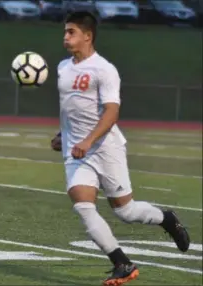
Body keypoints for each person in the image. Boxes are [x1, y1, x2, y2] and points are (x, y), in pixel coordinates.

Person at [51, 11, 190, 286]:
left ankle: (167, 218)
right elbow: (73, 110)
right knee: (83, 206)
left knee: (125, 212)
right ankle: (122, 263)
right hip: (76, 153)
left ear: (87, 36)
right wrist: (63, 135)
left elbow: (111, 112)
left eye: (71, 32)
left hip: (105, 148)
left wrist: (88, 141)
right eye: (65, 31)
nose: (66, 37)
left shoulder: (104, 69)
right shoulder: (62, 68)